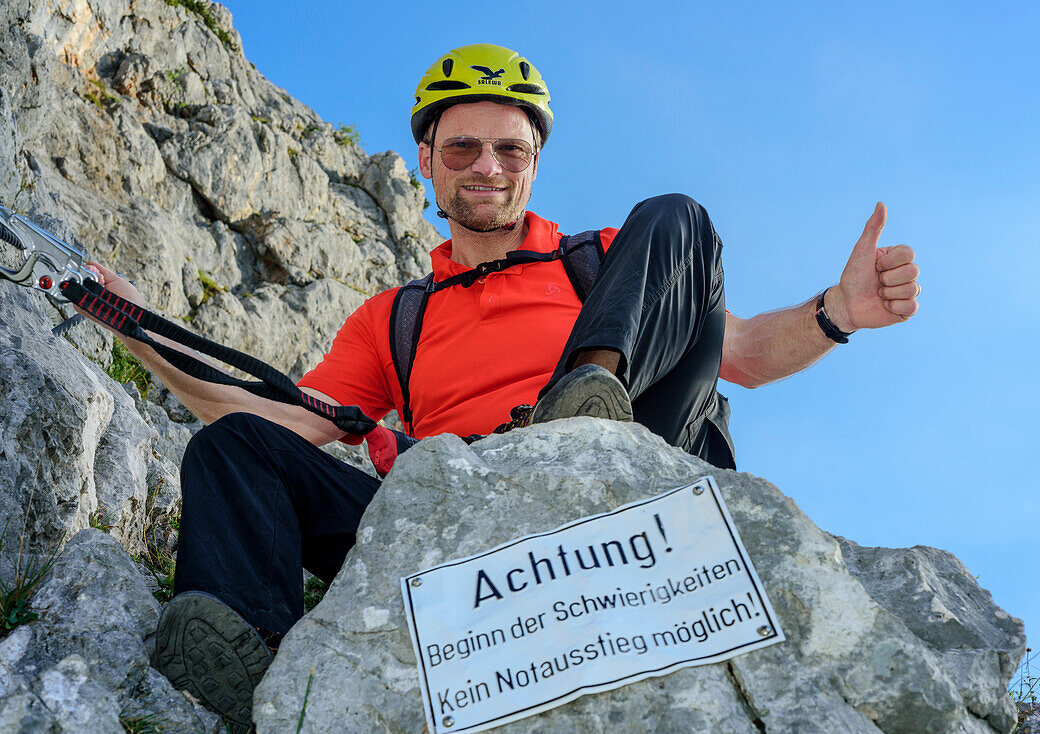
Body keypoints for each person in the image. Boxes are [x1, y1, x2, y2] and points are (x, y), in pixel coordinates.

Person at [78, 43, 919, 728]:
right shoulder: (395, 318)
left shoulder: (603, 262)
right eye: (463, 149)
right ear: (426, 165)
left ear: (536, 161)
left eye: (509, 148)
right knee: (233, 448)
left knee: (680, 214)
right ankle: (249, 652)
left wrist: (836, 312)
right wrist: (141, 332)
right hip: (460, 504)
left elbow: (734, 352)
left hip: (626, 462)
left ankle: (590, 392)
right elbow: (281, 423)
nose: (487, 166)